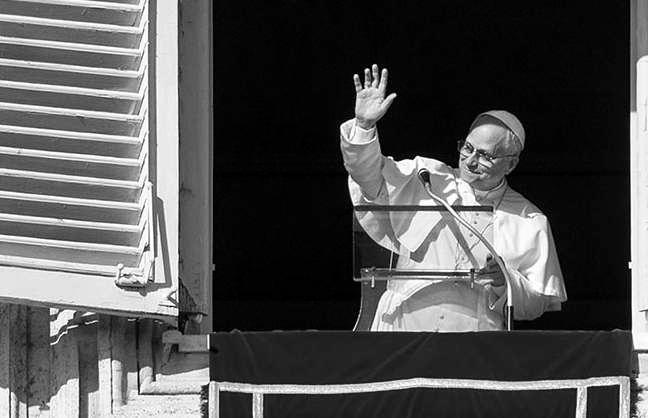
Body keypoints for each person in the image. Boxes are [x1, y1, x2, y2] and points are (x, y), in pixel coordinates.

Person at [340, 64, 567, 331]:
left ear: (511, 164)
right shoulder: (427, 177)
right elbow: (368, 177)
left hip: (474, 339)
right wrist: (364, 126)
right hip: (404, 326)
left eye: (485, 155)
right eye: (468, 148)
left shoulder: (528, 218)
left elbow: (538, 302)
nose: (470, 161)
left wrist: (505, 281)